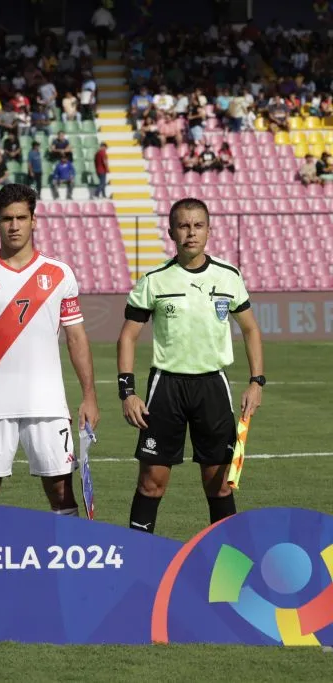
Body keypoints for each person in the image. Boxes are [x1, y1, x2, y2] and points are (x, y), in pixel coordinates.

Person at [0, 184, 99, 511]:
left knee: (60, 490)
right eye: (7, 219)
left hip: (47, 401)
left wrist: (89, 396)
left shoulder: (59, 274)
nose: (14, 225)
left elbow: (76, 338)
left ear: (34, 220)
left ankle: (64, 561)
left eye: (21, 218)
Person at [119, 198, 264, 534]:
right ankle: (140, 563)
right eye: (183, 226)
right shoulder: (154, 280)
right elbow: (127, 337)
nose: (191, 232)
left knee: (219, 484)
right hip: (166, 387)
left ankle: (228, 562)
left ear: (209, 230)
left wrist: (257, 381)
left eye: (198, 225)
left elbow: (251, 329)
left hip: (212, 386)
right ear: (171, 231)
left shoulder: (228, 276)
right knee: (152, 482)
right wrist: (127, 392)